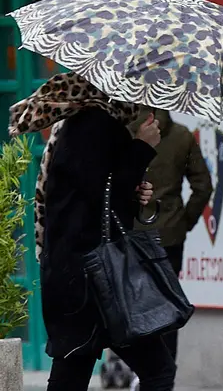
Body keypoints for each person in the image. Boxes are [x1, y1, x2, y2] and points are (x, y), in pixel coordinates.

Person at [8, 72, 175, 390]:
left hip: (77, 276)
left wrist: (134, 188)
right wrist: (142, 146)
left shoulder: (81, 124)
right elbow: (101, 195)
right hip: (93, 279)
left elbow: (96, 197)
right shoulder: (96, 125)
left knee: (71, 378)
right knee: (158, 370)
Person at [130, 107, 213, 362]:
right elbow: (203, 186)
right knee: (167, 305)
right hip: (170, 236)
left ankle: (142, 371)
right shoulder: (182, 135)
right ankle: (166, 372)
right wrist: (183, 222)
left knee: (136, 305)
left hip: (132, 235)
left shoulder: (127, 134)